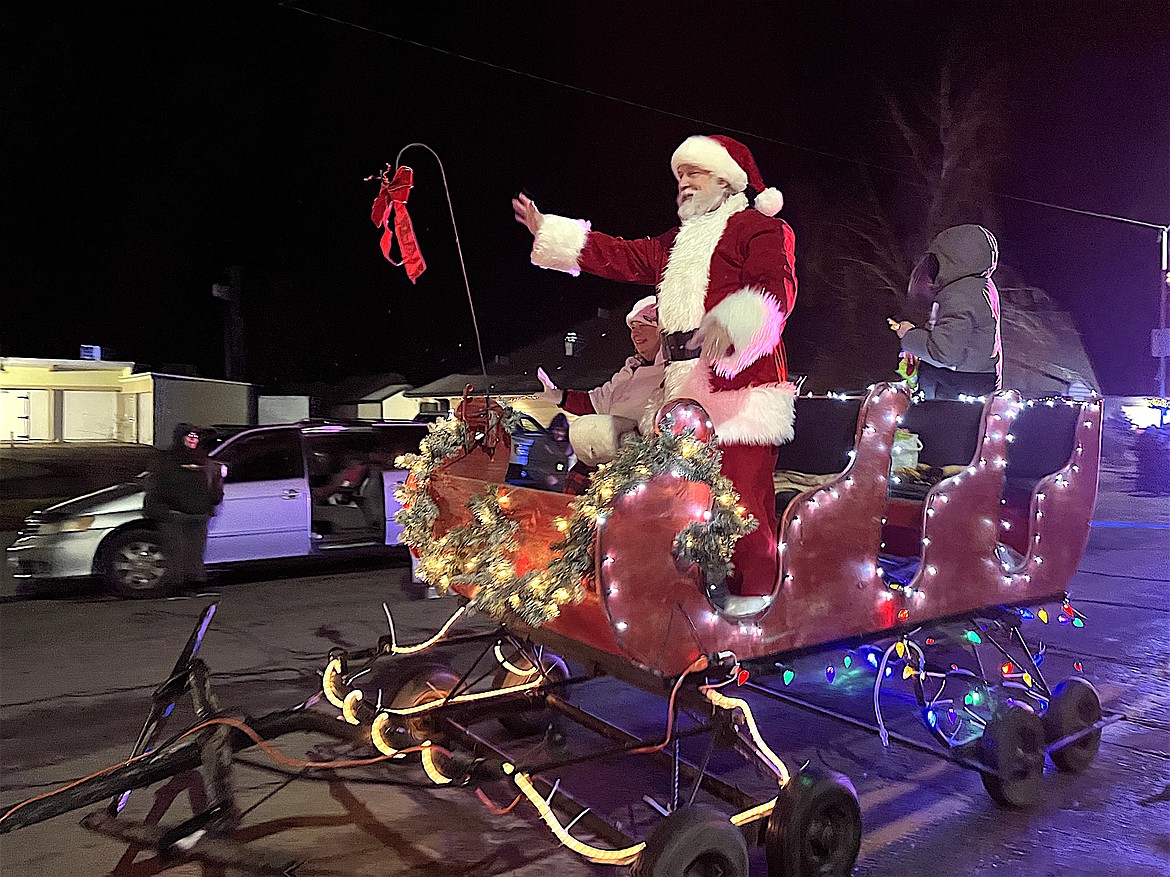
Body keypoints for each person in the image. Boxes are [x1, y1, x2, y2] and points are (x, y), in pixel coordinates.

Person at [513, 134, 797, 611]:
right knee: (680, 502)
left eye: (693, 173)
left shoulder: (760, 228)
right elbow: (622, 255)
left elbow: (776, 291)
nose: (682, 184)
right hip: (682, 389)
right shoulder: (676, 242)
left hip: (739, 384)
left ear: (726, 179)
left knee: (743, 501)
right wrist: (552, 233)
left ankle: (756, 602)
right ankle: (686, 600)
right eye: (678, 176)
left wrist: (732, 327)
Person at [535, 296, 666, 487]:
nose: (635, 333)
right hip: (603, 465)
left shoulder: (671, 374)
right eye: (633, 327)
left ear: (662, 329)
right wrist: (559, 396)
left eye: (643, 325)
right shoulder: (629, 370)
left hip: (638, 472)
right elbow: (597, 403)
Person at [890, 224, 1002, 400]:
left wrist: (909, 335)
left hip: (957, 385)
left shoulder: (959, 294)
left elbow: (945, 354)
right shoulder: (981, 287)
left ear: (950, 259)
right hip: (976, 379)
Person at [144, 424, 223, 589]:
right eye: (189, 436)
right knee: (176, 552)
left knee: (195, 551)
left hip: (199, 514)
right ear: (181, 438)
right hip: (174, 515)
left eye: (196, 437)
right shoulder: (167, 461)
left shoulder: (204, 460)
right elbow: (156, 486)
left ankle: (194, 582)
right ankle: (176, 585)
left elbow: (215, 486)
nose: (193, 440)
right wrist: (164, 508)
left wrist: (213, 500)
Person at [524, 412, 574, 491]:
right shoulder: (541, 444)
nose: (559, 433)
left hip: (561, 488)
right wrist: (546, 477)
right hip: (540, 486)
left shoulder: (569, 448)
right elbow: (531, 466)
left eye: (562, 430)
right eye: (556, 430)